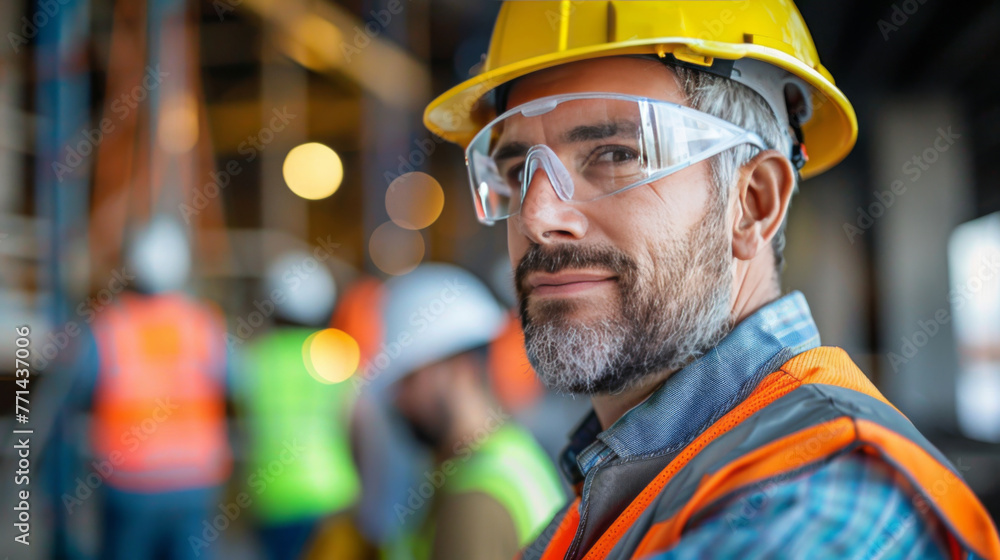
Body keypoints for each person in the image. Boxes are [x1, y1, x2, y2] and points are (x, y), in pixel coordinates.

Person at [422, 1, 1000, 559]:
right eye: (520, 170)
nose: (537, 216)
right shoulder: (616, 491)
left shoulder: (829, 501)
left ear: (752, 204)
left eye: (615, 154)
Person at [377, 263, 565, 560]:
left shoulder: (477, 501)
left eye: (410, 380)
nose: (399, 400)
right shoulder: (507, 456)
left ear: (460, 368)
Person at [85, 215, 231, 560]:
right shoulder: (203, 322)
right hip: (196, 479)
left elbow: (81, 385)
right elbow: (232, 379)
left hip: (130, 482)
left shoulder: (110, 325)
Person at [233, 251, 361, 560]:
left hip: (272, 499)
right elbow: (355, 421)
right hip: (333, 496)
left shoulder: (253, 360)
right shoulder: (338, 356)